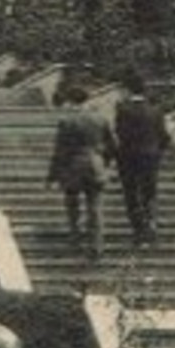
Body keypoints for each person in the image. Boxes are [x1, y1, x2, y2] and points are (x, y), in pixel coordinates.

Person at [44, 87, 117, 261]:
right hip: (95, 165)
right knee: (95, 207)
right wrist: (104, 162)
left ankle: (75, 238)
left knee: (72, 204)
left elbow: (60, 151)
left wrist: (52, 176)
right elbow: (112, 146)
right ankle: (97, 246)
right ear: (87, 100)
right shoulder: (101, 119)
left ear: (71, 101)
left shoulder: (67, 121)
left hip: (73, 166)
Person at [113, 76, 172, 247]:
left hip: (129, 156)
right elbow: (164, 136)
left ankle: (139, 230)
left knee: (131, 193)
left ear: (127, 90)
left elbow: (121, 133)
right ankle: (152, 223)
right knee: (150, 191)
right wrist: (157, 151)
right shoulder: (156, 110)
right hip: (150, 156)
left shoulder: (123, 109)